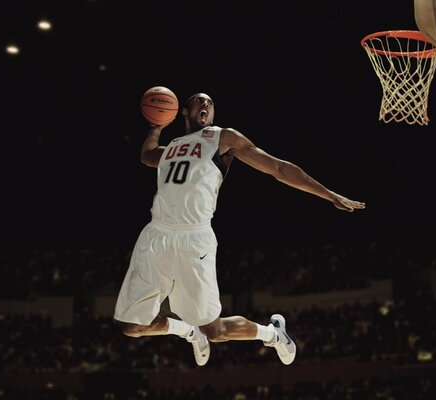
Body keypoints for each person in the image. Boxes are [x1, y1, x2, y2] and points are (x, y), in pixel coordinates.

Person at [114, 92, 365, 367]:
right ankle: (188, 330)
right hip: (156, 235)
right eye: (200, 100)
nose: (207, 104)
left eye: (210, 102)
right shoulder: (173, 145)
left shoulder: (223, 138)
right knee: (131, 326)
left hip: (193, 238)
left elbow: (278, 168)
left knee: (217, 331)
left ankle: (273, 334)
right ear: (183, 112)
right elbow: (148, 156)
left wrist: (328, 194)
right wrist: (155, 128)